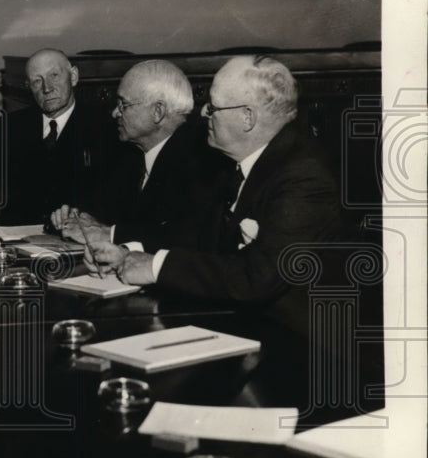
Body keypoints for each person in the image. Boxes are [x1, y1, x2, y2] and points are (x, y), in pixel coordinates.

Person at [83, 54, 348, 308]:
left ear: (247, 117)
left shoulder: (304, 177)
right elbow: (198, 236)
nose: (203, 113)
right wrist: (126, 253)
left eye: (213, 107)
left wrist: (154, 267)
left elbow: (255, 278)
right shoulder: (236, 164)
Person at [52, 59, 226, 252]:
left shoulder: (201, 158)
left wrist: (109, 234)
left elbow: (187, 236)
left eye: (123, 104)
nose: (115, 113)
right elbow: (99, 206)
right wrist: (74, 216)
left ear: (157, 111)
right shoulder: (133, 156)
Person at [0, 48, 111, 227]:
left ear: (73, 76)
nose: (47, 88)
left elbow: (119, 194)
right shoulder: (12, 127)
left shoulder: (105, 127)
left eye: (54, 75)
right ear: (28, 87)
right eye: (36, 81)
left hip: (79, 241)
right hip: (15, 240)